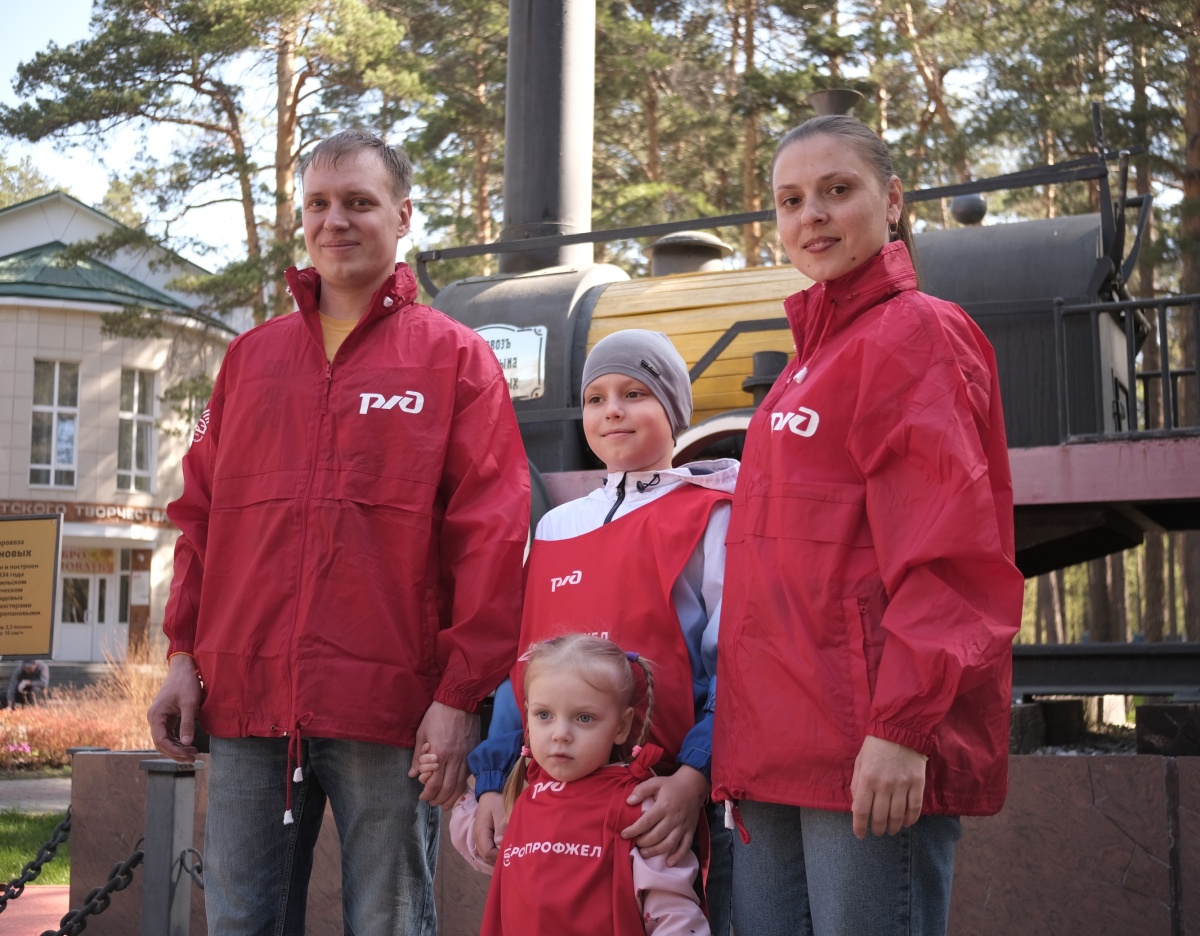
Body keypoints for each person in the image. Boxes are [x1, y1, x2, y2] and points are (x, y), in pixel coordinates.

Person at [146, 129, 530, 936]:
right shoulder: (250, 360)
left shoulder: (457, 361)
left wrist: (459, 697)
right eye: (318, 204)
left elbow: (492, 541)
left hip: (389, 709)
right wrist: (182, 655)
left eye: (358, 202)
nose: (335, 221)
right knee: (240, 925)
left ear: (403, 215)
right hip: (247, 698)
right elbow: (200, 518)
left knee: (388, 925)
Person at [712, 114, 1025, 936]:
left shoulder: (916, 332)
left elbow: (951, 554)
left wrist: (901, 729)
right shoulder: (806, 362)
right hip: (771, 748)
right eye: (790, 200)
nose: (811, 214)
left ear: (891, 202)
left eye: (836, 190)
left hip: (863, 748)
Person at [466, 329, 738, 934]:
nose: (612, 410)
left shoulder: (710, 513)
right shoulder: (555, 527)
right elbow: (523, 672)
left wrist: (694, 777)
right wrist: (492, 783)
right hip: (555, 808)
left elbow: (735, 665)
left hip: (661, 805)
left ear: (674, 408)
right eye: (596, 398)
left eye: (635, 393)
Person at [426, 634, 710, 936]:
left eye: (584, 718)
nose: (560, 733)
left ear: (622, 726)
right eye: (544, 715)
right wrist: (449, 786)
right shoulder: (521, 795)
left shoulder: (636, 805)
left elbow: (673, 911)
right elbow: (482, 846)